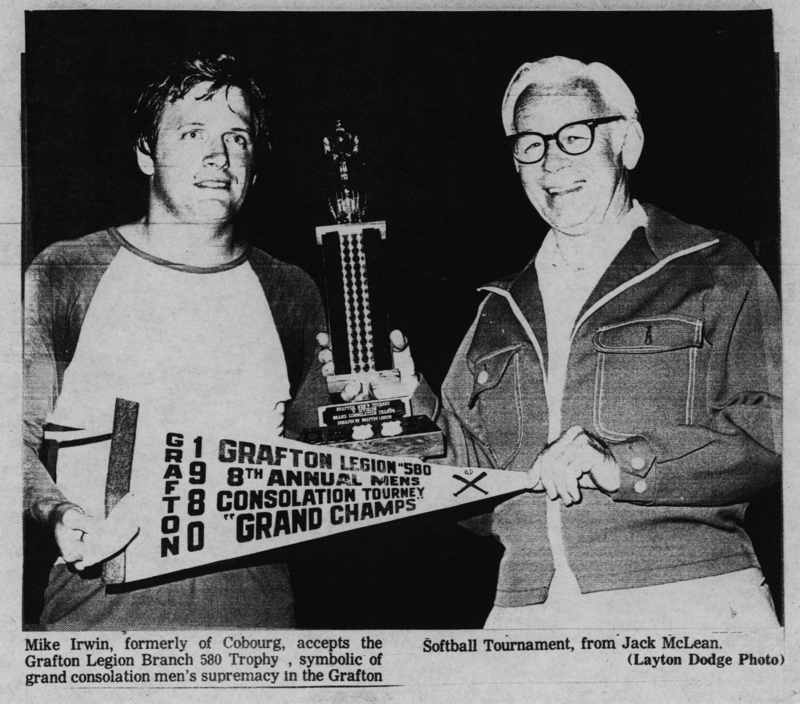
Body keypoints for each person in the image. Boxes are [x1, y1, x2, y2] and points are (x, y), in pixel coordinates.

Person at [326, 56, 782, 628]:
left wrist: (621, 462)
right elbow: (471, 486)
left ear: (626, 142)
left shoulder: (715, 268)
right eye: (531, 144)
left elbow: (776, 431)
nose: (551, 163)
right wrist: (406, 409)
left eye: (573, 136)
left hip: (690, 597)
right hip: (526, 611)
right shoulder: (499, 308)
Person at [23, 53, 328, 629]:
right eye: (193, 133)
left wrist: (393, 400)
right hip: (100, 626)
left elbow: (326, 456)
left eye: (237, 138)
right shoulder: (69, 272)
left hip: (257, 626)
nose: (219, 155)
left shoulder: (291, 290)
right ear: (146, 154)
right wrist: (57, 512)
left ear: (255, 164)